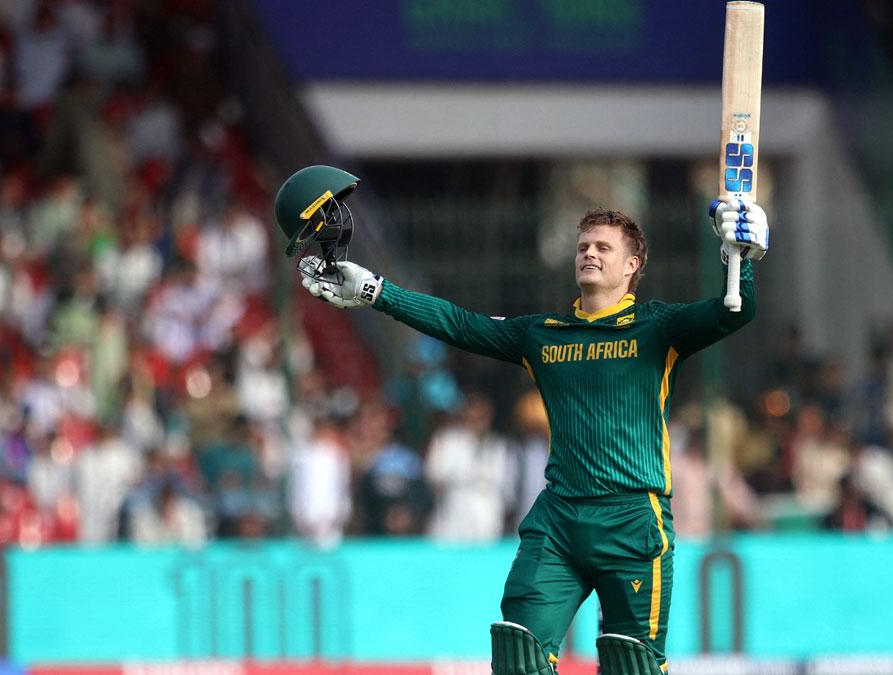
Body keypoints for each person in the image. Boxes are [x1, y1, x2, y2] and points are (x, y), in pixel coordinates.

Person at [272, 165, 769, 674]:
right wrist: (377, 290)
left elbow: (734, 311)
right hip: (560, 520)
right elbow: (459, 324)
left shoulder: (658, 327)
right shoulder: (542, 335)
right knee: (519, 653)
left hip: (633, 519)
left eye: (603, 247)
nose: (589, 254)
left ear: (632, 265)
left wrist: (743, 257)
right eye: (583, 247)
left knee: (633, 665)